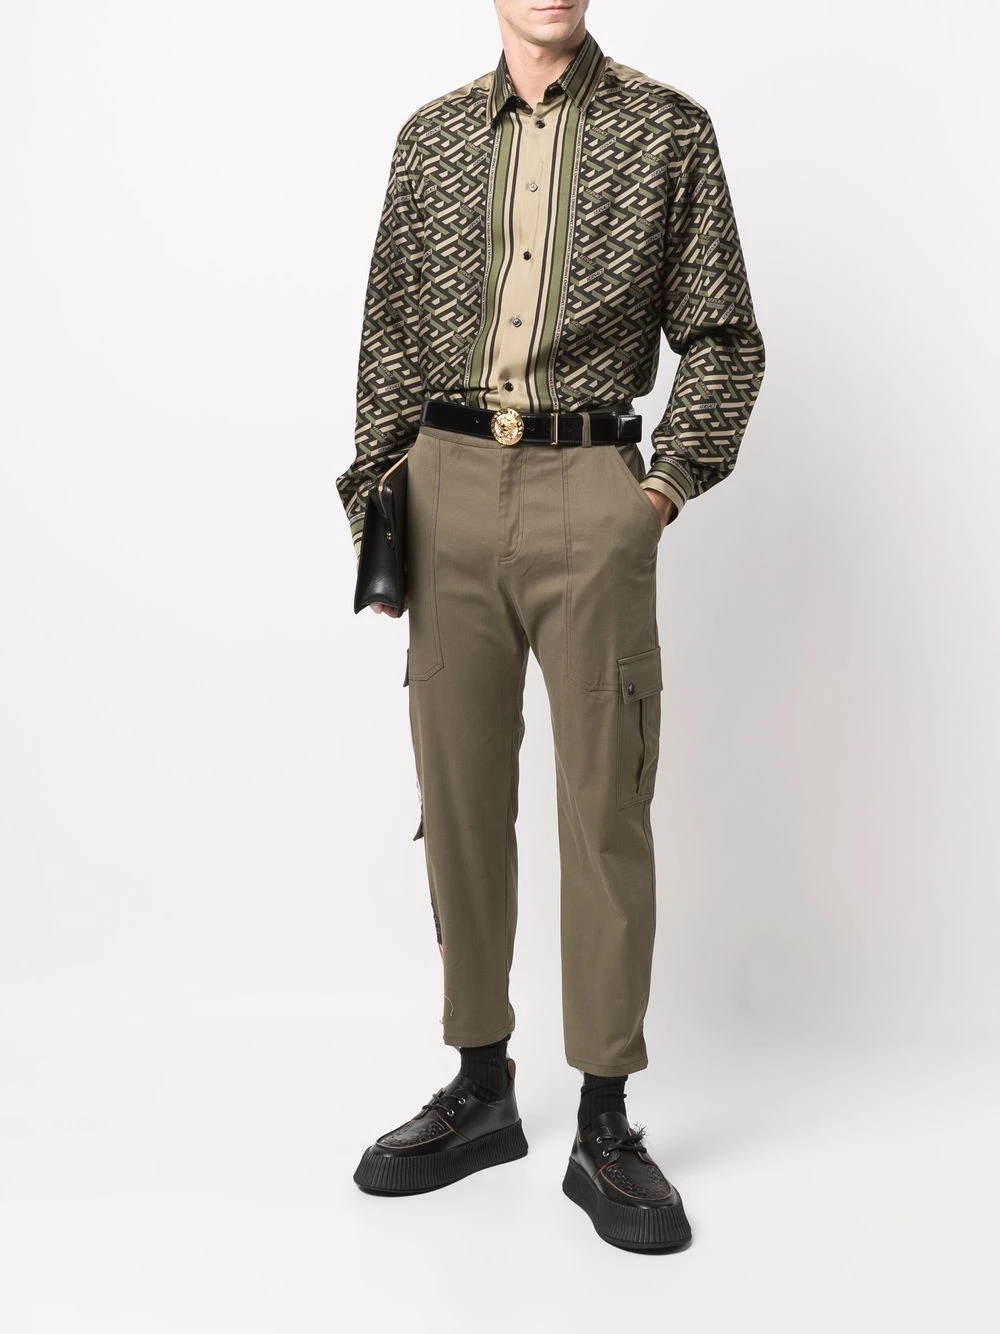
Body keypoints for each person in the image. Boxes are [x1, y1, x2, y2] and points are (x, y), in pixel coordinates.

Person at [335, 0, 764, 1252]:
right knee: (459, 795)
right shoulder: (429, 139)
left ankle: (604, 1119)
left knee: (603, 803)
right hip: (446, 484)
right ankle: (479, 1086)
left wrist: (656, 492)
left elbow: (723, 337)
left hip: (593, 488)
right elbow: (386, 334)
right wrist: (379, 505)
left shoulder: (667, 131)